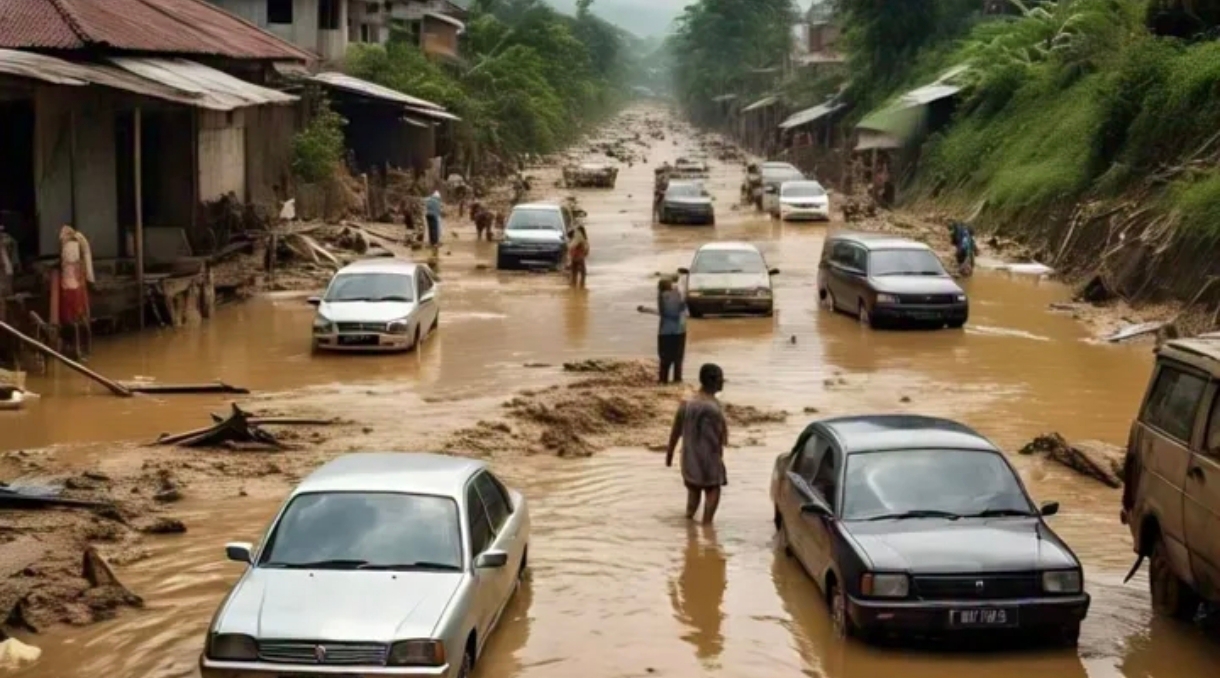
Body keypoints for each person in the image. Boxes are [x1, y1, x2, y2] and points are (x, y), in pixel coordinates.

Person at [665, 364, 729, 524]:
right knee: (713, 489)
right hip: (708, 458)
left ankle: (688, 521)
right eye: (721, 379)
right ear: (713, 381)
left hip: (688, 457)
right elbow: (721, 437)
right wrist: (720, 458)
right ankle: (707, 526)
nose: (723, 382)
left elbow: (675, 431)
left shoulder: (687, 403)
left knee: (693, 490)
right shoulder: (714, 407)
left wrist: (670, 453)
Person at [58, 225, 94, 358]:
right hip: (74, 286)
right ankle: (81, 349)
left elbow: (73, 265)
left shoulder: (71, 246)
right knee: (78, 320)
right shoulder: (79, 244)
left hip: (73, 288)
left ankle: (78, 349)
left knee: (75, 320)